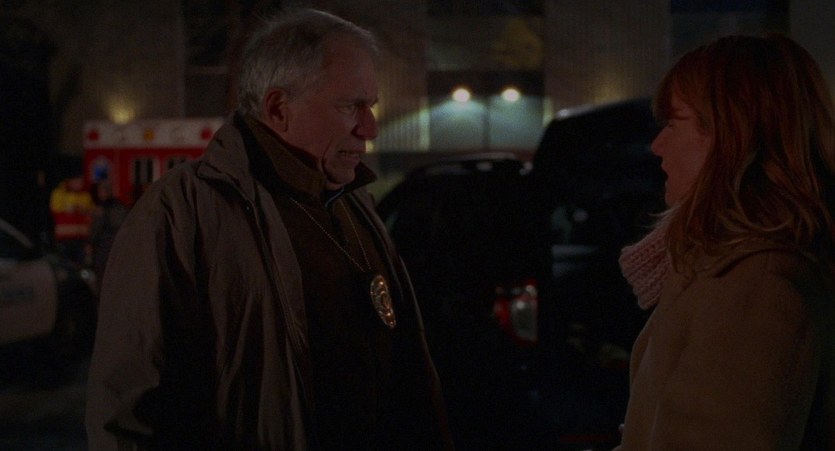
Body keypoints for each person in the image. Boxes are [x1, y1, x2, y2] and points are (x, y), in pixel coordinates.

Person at [86, 8, 452, 450]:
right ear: (279, 108)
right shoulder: (179, 214)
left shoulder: (353, 202)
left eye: (369, 106)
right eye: (349, 106)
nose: (370, 128)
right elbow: (127, 413)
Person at [615, 34, 835, 449]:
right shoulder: (722, 264)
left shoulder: (755, 281)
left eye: (673, 123)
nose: (657, 145)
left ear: (728, 134)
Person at [85, 180, 129, 281]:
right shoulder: (121, 207)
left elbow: (97, 228)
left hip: (104, 246)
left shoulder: (101, 209)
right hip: (118, 245)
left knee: (102, 274)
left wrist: (90, 242)